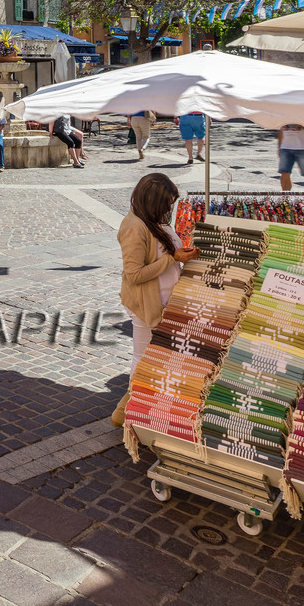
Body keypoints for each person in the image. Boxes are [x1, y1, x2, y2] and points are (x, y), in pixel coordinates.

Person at [111, 173, 202, 427]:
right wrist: (173, 259)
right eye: (167, 204)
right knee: (143, 358)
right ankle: (130, 413)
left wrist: (176, 255)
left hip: (164, 303)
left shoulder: (150, 221)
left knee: (157, 358)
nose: (169, 209)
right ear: (154, 203)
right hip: (147, 305)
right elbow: (135, 274)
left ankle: (129, 410)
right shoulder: (135, 228)